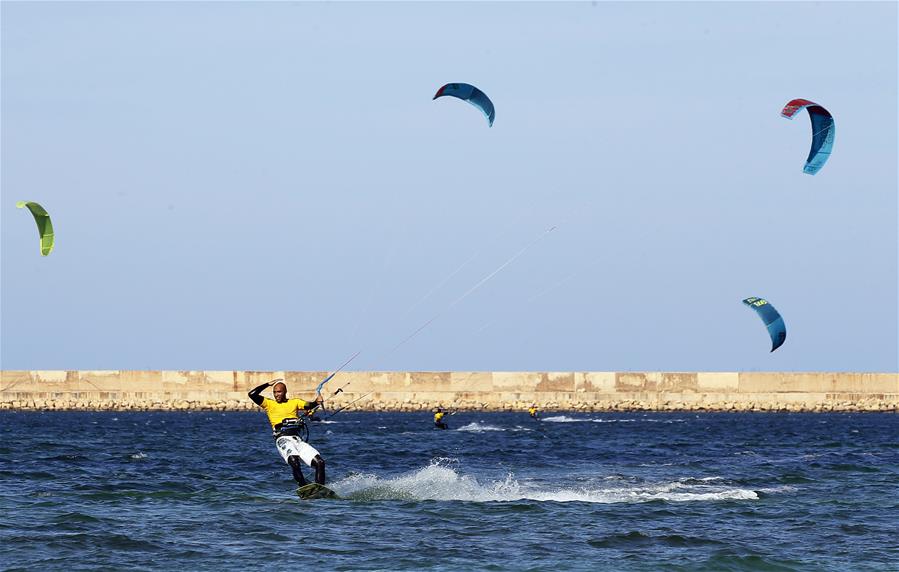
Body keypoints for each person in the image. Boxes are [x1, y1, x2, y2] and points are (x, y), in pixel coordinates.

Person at [248, 379, 326, 486]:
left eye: (279, 392)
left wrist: (317, 402)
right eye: (274, 392)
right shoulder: (268, 404)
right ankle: (303, 487)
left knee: (320, 463)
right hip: (282, 438)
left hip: (297, 439)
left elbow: (309, 405)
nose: (276, 395)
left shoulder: (294, 402)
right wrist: (267, 384)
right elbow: (252, 394)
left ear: (285, 392)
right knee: (294, 461)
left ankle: (320, 488)